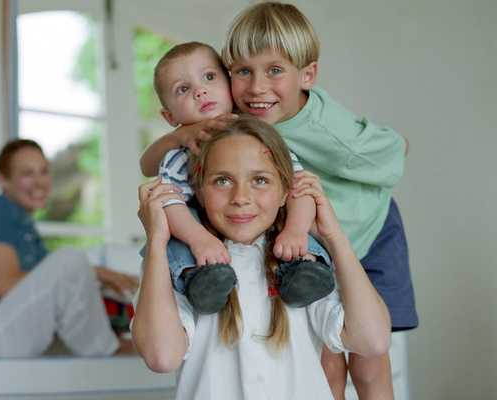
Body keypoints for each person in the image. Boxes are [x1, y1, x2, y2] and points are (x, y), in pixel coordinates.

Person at [219, 2, 418, 398]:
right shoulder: (243, 120)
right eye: (243, 71)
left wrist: (385, 150)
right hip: (316, 246)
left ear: (307, 75)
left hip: (372, 235)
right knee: (325, 359)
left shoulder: (328, 129)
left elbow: (398, 149)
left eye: (274, 70)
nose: (257, 87)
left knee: (369, 361)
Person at [132, 116, 391, 399]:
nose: (241, 197)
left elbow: (372, 340)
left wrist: (334, 236)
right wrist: (157, 241)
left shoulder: (303, 263)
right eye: (222, 180)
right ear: (200, 192)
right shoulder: (179, 265)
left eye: (260, 180)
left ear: (284, 193)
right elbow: (162, 356)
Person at [140, 41, 335, 315]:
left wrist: (296, 230)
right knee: (173, 234)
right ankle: (200, 278)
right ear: (169, 116)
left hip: (266, 224)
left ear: (229, 82)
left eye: (209, 77)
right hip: (201, 227)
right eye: (183, 89)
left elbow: (300, 188)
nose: (200, 91)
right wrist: (198, 238)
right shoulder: (182, 151)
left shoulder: (258, 135)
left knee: (294, 219)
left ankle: (305, 267)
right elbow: (168, 201)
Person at [0, 139, 138, 357]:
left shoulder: (26, 230)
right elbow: (7, 286)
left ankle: (117, 346)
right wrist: (97, 272)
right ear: (3, 180)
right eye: (27, 174)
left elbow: (49, 296)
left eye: (44, 172)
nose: (39, 182)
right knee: (70, 260)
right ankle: (110, 349)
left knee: (72, 329)